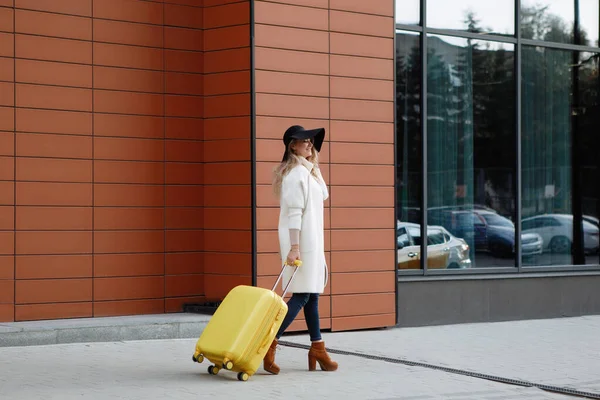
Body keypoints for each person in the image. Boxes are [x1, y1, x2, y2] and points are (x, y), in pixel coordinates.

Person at [263, 125, 338, 374]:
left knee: (312, 294)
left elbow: (325, 195)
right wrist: (294, 247)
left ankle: (318, 348)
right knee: (302, 295)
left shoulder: (307, 172)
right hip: (302, 243)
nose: (309, 144)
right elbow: (294, 213)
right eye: (303, 141)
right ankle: (269, 343)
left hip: (312, 242)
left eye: (311, 141)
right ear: (291, 146)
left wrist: (315, 168)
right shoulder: (295, 174)